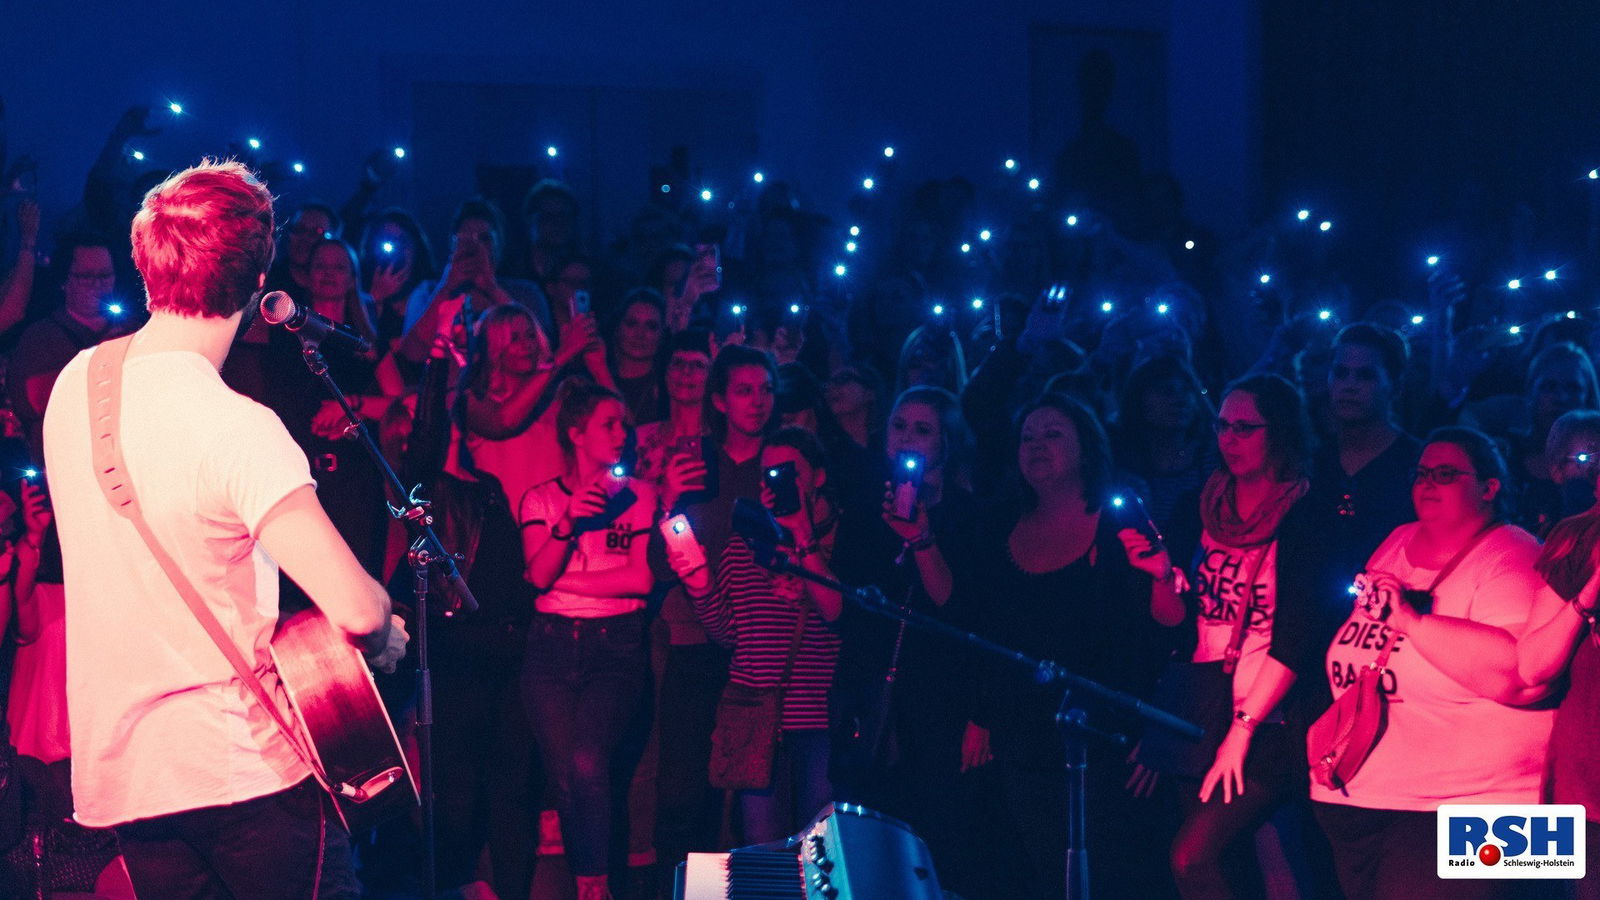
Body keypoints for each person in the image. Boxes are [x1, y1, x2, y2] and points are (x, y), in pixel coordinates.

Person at [41, 160, 406, 896]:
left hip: (133, 778)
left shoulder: (78, 384)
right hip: (242, 768)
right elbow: (360, 611)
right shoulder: (239, 426)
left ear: (146, 264)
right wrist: (388, 633)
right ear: (258, 276)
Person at [1312, 427, 1564, 898]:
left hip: (1488, 806)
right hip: (1374, 797)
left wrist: (1414, 622)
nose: (1428, 482)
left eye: (1445, 474)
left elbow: (1522, 677)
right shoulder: (1397, 540)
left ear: (1490, 487)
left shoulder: (1515, 554)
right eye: (1421, 473)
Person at [962, 393, 1181, 900]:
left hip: (1108, 741)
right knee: (1040, 872)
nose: (1037, 446)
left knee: (1111, 876)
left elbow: (1163, 633)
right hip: (1023, 738)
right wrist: (981, 714)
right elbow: (984, 629)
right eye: (1028, 437)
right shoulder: (1000, 524)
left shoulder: (1119, 520)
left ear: (1086, 446)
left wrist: (1155, 730)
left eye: (1053, 434)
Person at [1142, 373, 1331, 900]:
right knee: (1246, 856)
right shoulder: (1197, 507)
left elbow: (1300, 632)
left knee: (1196, 856)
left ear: (1282, 432)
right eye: (1223, 426)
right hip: (1202, 708)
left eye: (1246, 428)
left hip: (1271, 717)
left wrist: (1243, 730)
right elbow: (1173, 624)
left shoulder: (1306, 513)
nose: (1230, 439)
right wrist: (1162, 580)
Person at [827, 385, 982, 892]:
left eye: (922, 429)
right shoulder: (863, 507)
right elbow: (844, 607)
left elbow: (956, 608)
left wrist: (919, 537)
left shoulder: (966, 514)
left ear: (946, 440)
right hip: (866, 698)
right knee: (864, 855)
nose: (907, 439)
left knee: (932, 854)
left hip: (936, 704)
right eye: (899, 426)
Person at [668, 426, 845, 844]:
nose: (775, 483)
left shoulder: (841, 539)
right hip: (756, 717)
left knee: (820, 851)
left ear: (817, 477)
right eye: (768, 474)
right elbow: (730, 634)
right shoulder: (743, 544)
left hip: (817, 718)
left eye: (788, 473)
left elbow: (838, 616)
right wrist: (698, 585)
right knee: (763, 849)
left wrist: (801, 537)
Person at [519, 381, 657, 900]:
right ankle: (590, 885)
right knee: (566, 779)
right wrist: (570, 522)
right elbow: (540, 567)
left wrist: (551, 581)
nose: (623, 433)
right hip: (551, 649)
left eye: (624, 423)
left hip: (615, 645)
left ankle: (594, 889)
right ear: (577, 434)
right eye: (609, 424)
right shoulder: (541, 499)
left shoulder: (640, 494)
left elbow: (639, 580)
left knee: (587, 761)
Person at [1307, 323, 1422, 596]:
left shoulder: (1417, 465)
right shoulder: (1311, 461)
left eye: (1365, 376)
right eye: (1341, 373)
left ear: (1395, 386)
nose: (1349, 386)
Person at [8, 230, 135, 461]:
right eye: (85, 276)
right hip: (66, 460)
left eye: (105, 275)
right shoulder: (38, 338)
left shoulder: (134, 330)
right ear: (64, 282)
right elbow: (33, 404)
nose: (97, 285)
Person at [608, 288, 669, 424]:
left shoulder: (671, 384)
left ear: (662, 334)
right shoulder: (595, 377)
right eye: (631, 324)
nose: (640, 334)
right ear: (618, 328)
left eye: (651, 326)